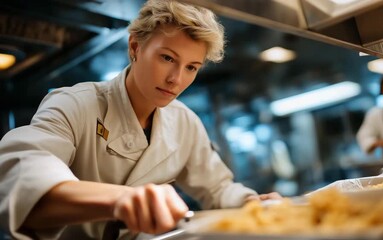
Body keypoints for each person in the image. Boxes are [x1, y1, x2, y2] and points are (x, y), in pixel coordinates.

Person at [0, 1, 280, 239]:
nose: (176, 79)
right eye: (167, 58)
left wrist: (251, 203)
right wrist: (120, 199)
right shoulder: (75, 103)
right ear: (135, 46)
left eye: (191, 67)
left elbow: (217, 188)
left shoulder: (185, 122)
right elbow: (23, 177)